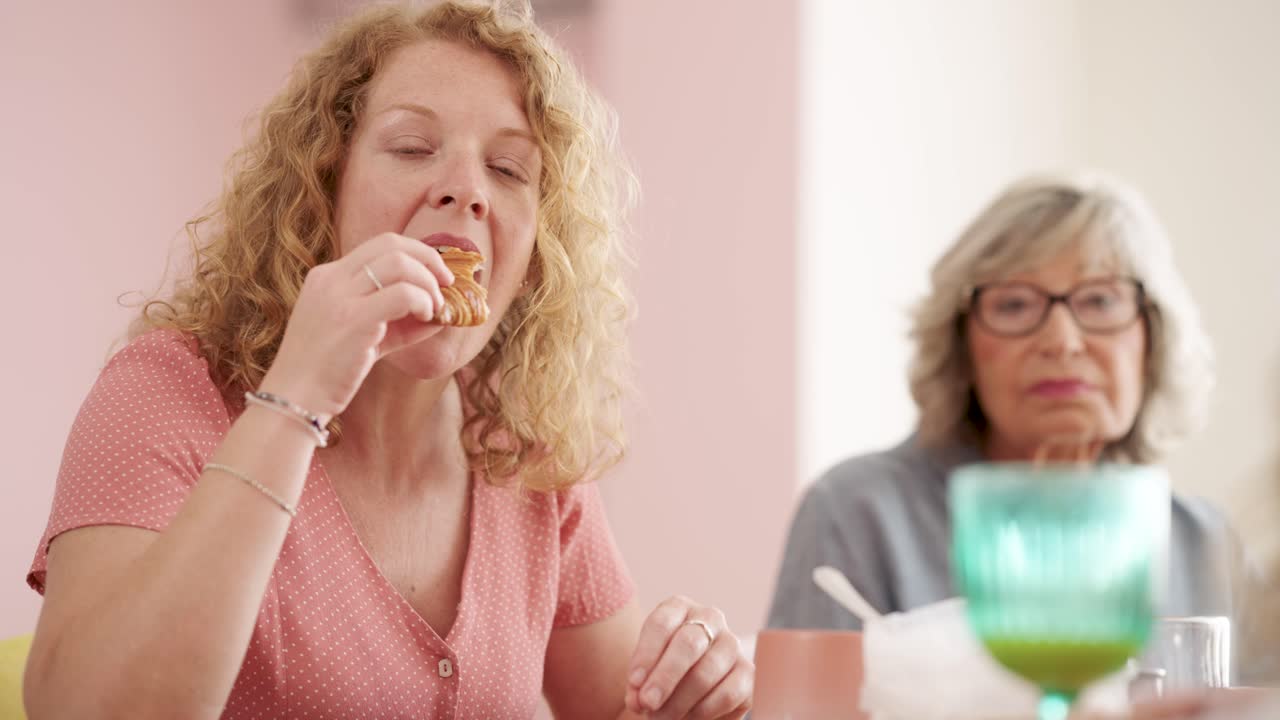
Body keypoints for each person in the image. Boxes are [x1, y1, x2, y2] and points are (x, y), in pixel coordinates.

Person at [21, 3, 752, 718]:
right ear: (322, 187)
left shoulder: (522, 449)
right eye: (410, 147)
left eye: (507, 168)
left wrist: (692, 686)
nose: (467, 189)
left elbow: (621, 709)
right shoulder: (167, 392)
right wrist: (295, 397)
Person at [767, 172, 1235, 633]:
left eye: (1099, 301)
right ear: (961, 344)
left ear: (1154, 337)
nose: (1061, 341)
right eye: (1015, 305)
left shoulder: (1208, 547)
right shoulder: (857, 512)